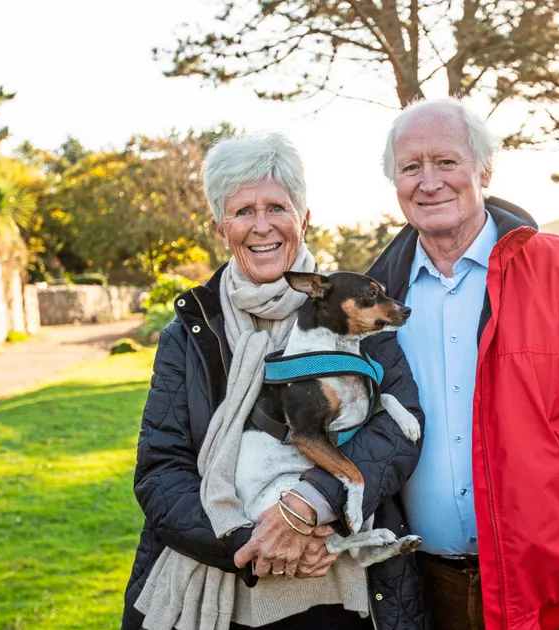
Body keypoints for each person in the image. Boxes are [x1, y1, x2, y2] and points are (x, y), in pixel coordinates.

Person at [365, 99, 559, 630]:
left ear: (483, 170)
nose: (429, 181)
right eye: (410, 167)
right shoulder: (375, 301)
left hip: (556, 596)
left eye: (446, 161)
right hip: (423, 595)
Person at [121, 132, 430, 630]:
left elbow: (398, 428)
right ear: (219, 226)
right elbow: (161, 470)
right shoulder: (191, 331)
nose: (261, 226)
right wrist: (253, 542)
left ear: (303, 219)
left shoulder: (355, 308)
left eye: (277, 208)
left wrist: (311, 505)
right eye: (242, 211)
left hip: (351, 596)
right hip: (228, 595)